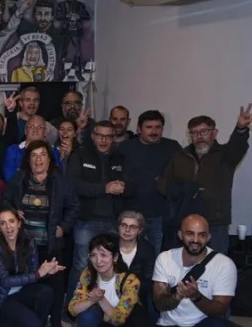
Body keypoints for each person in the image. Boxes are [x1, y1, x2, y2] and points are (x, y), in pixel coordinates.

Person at [3, 140, 79, 327]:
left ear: (49, 158)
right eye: (34, 155)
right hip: (25, 244)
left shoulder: (60, 180)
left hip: (50, 242)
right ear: (28, 159)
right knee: (30, 282)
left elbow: (74, 206)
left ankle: (55, 321)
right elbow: (5, 200)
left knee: (56, 283)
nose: (38, 160)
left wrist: (64, 227)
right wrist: (14, 210)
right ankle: (31, 319)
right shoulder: (20, 178)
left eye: (42, 155)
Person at [157, 108, 251, 253]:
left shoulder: (225, 155)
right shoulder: (180, 156)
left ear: (214, 133)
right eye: (194, 132)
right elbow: (163, 184)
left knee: (215, 263)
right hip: (184, 221)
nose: (199, 136)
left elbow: (238, 146)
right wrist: (181, 192)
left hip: (215, 223)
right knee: (181, 263)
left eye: (204, 131)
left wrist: (240, 129)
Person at [67, 233, 149, 327]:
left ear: (115, 257)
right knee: (87, 315)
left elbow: (119, 320)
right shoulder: (88, 274)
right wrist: (91, 300)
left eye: (103, 255)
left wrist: (101, 299)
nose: (98, 261)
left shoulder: (130, 281)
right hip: (105, 324)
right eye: (93, 255)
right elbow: (72, 309)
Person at [0, 205, 64, 327]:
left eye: (12, 221)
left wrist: (47, 272)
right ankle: (2, 322)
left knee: (46, 291)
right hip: (3, 297)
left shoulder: (29, 242)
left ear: (19, 223)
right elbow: (5, 281)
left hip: (22, 291)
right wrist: (38, 274)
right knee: (32, 325)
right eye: (3, 223)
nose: (8, 227)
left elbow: (34, 275)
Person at [66, 121, 128, 299]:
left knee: (113, 265)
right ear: (93, 136)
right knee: (81, 264)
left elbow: (132, 184)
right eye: (100, 135)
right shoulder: (80, 155)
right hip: (86, 220)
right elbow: (73, 185)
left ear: (113, 138)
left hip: (114, 221)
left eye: (108, 136)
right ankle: (70, 307)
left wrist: (124, 187)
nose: (103, 140)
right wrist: (104, 188)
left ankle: (110, 305)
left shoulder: (120, 157)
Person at [116, 110, 182, 251]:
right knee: (129, 254)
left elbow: (182, 176)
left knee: (156, 255)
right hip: (131, 215)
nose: (154, 131)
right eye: (149, 127)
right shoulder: (125, 148)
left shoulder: (172, 147)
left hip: (160, 215)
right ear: (139, 129)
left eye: (158, 127)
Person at [117, 210, 157, 318]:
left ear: (140, 231)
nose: (127, 230)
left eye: (133, 227)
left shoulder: (147, 250)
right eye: (124, 225)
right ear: (118, 227)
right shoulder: (108, 245)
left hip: (136, 296)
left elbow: (147, 280)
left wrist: (130, 293)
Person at [2, 114, 60, 181]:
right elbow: (11, 179)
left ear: (45, 132)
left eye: (40, 127)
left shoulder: (53, 151)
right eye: (31, 126)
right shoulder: (12, 151)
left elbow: (57, 177)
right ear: (25, 131)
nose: (35, 130)